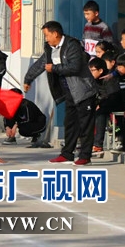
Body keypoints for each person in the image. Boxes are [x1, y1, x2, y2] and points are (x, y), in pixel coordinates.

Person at [23, 21, 97, 166]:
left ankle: (85, 156)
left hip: (83, 91)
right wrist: (28, 79)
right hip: (69, 92)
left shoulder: (72, 46)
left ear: (55, 34)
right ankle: (67, 154)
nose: (46, 39)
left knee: (85, 126)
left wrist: (54, 68)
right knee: (70, 124)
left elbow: (75, 67)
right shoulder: (50, 48)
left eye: (47, 35)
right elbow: (41, 64)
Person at [88, 57, 120, 156]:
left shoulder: (109, 78)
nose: (90, 73)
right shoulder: (95, 80)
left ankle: (98, 145)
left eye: (93, 70)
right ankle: (86, 142)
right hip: (103, 103)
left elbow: (112, 96)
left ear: (100, 70)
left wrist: (100, 104)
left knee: (100, 113)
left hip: (116, 103)